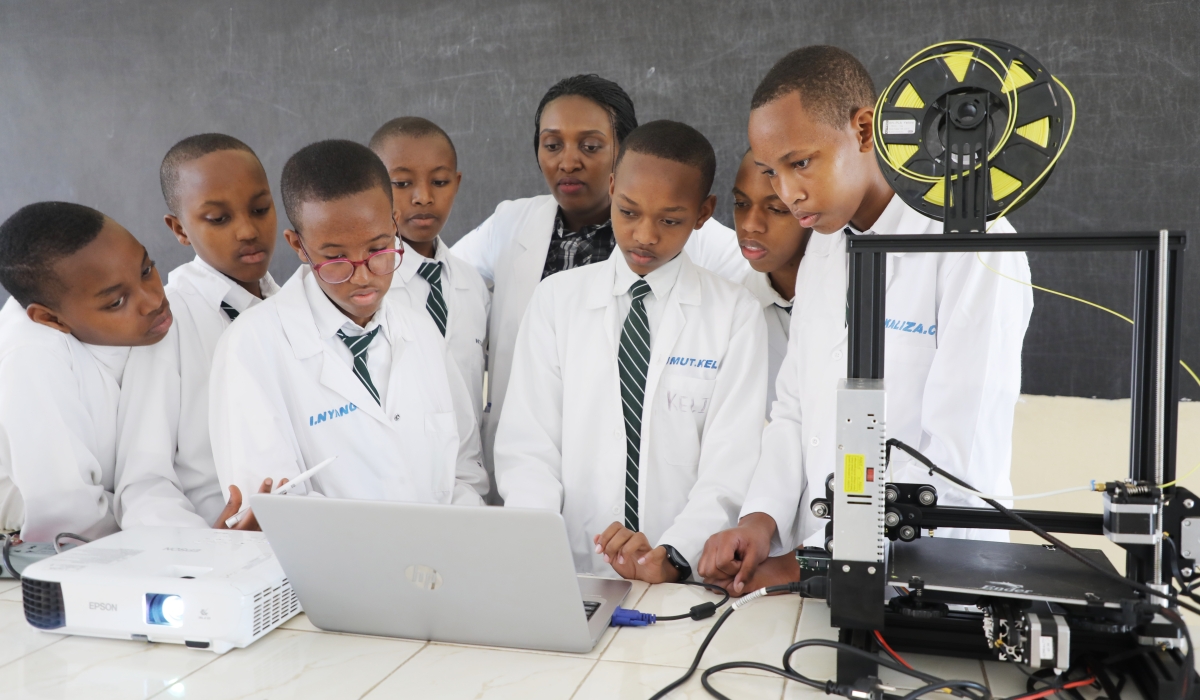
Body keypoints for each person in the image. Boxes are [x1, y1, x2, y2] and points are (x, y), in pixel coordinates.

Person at [698, 45, 1033, 593]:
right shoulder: (829, 247)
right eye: (773, 172)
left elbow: (956, 466)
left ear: (863, 129)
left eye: (800, 163)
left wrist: (813, 562)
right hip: (819, 565)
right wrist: (761, 520)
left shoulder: (973, 248)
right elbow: (794, 412)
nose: (788, 192)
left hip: (933, 574)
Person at [451, 75, 749, 501]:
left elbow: (759, 278)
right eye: (552, 145)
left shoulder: (689, 232)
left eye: (590, 146)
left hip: (650, 483)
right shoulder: (512, 223)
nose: (568, 161)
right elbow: (441, 280)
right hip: (530, 474)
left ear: (622, 154)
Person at [496, 121, 767, 581]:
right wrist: (538, 551)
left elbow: (731, 462)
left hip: (683, 577)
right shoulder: (556, 300)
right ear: (612, 186)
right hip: (569, 569)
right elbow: (529, 447)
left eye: (669, 220)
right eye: (628, 211)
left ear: (703, 213)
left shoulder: (734, 312)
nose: (644, 235)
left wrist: (674, 556)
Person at [209, 140, 487, 521]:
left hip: (437, 569)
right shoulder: (251, 346)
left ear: (394, 226)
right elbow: (273, 508)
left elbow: (463, 471)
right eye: (336, 259)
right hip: (326, 578)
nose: (363, 277)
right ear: (299, 246)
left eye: (378, 249)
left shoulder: (421, 331)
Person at [115, 134, 280, 530]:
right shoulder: (167, 324)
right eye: (219, 219)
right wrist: (206, 546)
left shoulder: (291, 308)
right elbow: (143, 486)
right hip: (217, 554)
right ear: (180, 229)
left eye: (260, 209)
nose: (247, 230)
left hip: (303, 545)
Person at [0, 202, 173, 542]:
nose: (153, 300)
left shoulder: (154, 325)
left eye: (146, 270)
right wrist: (179, 532)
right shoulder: (32, 355)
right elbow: (68, 516)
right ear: (51, 319)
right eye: (116, 302)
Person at [369, 117, 489, 422]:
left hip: (468, 467)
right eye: (402, 183)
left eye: (439, 182)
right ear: (373, 187)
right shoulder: (363, 285)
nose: (423, 197)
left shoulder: (472, 283)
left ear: (457, 183)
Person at [731, 148, 810, 413]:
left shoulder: (859, 296)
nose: (751, 224)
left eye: (776, 209)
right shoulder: (731, 308)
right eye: (741, 204)